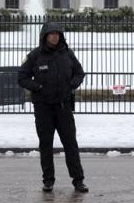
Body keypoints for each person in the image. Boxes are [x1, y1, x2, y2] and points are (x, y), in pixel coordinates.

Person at [17, 22, 87, 193]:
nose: (55, 36)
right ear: (45, 36)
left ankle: (78, 180)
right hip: (43, 108)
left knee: (70, 144)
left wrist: (72, 84)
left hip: (64, 106)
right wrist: (38, 87)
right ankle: (48, 180)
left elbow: (79, 72)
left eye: (57, 33)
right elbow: (22, 77)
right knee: (46, 145)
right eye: (51, 34)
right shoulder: (35, 55)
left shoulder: (67, 54)